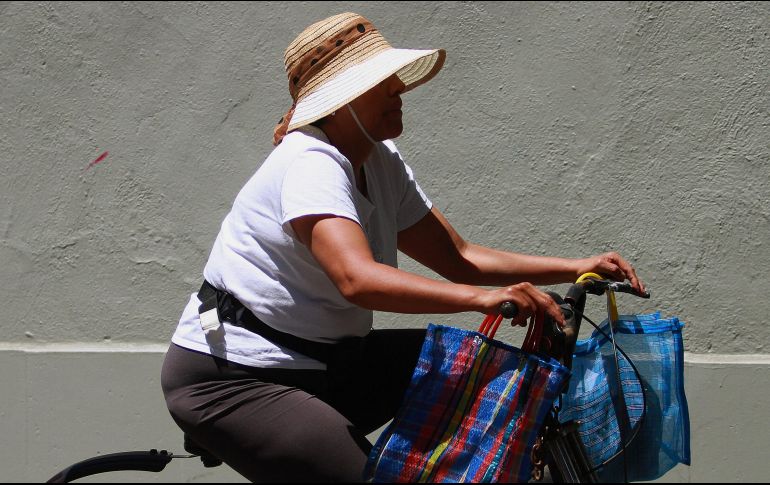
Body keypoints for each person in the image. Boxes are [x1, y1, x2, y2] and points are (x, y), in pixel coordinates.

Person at [160, 12, 645, 483]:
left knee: (487, 375)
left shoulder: (378, 158)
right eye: (380, 81)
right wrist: (485, 299)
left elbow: (460, 258)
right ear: (340, 100)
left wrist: (575, 266)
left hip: (331, 362)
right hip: (237, 378)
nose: (399, 89)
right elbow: (358, 279)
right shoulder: (311, 164)